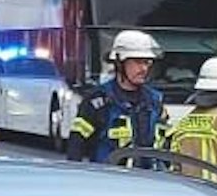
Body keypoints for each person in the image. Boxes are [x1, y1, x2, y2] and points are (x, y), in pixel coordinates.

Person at [66, 30, 166, 164]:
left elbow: (167, 145)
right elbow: (76, 145)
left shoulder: (154, 101)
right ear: (119, 63)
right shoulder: (97, 101)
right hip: (108, 180)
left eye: (147, 62)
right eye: (137, 62)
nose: (144, 68)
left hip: (149, 180)